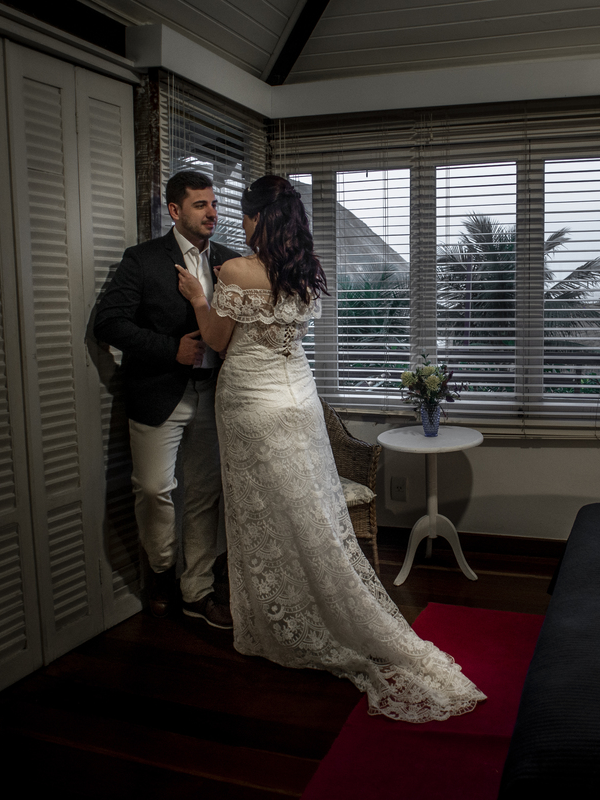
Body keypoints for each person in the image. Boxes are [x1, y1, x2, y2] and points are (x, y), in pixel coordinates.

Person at [174, 175, 486, 722]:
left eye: (243, 216)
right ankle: (320, 602)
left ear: (256, 220)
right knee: (308, 512)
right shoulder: (304, 272)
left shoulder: (236, 271)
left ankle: (282, 618)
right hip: (299, 400)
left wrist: (199, 297)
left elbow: (220, 341)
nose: (238, 225)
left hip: (252, 403)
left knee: (262, 516)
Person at [93, 170, 236, 629]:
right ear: (175, 211)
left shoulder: (232, 263)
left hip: (214, 395)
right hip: (158, 394)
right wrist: (168, 348)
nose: (211, 212)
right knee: (154, 489)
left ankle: (198, 590)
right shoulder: (142, 259)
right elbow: (109, 324)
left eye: (214, 204)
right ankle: (160, 572)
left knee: (204, 496)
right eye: (200, 205)